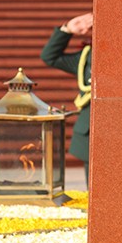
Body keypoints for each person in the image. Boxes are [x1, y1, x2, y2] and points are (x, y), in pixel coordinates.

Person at [41, 13, 93, 186]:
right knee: (91, 190)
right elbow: (50, 57)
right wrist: (67, 30)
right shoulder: (87, 56)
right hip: (90, 130)